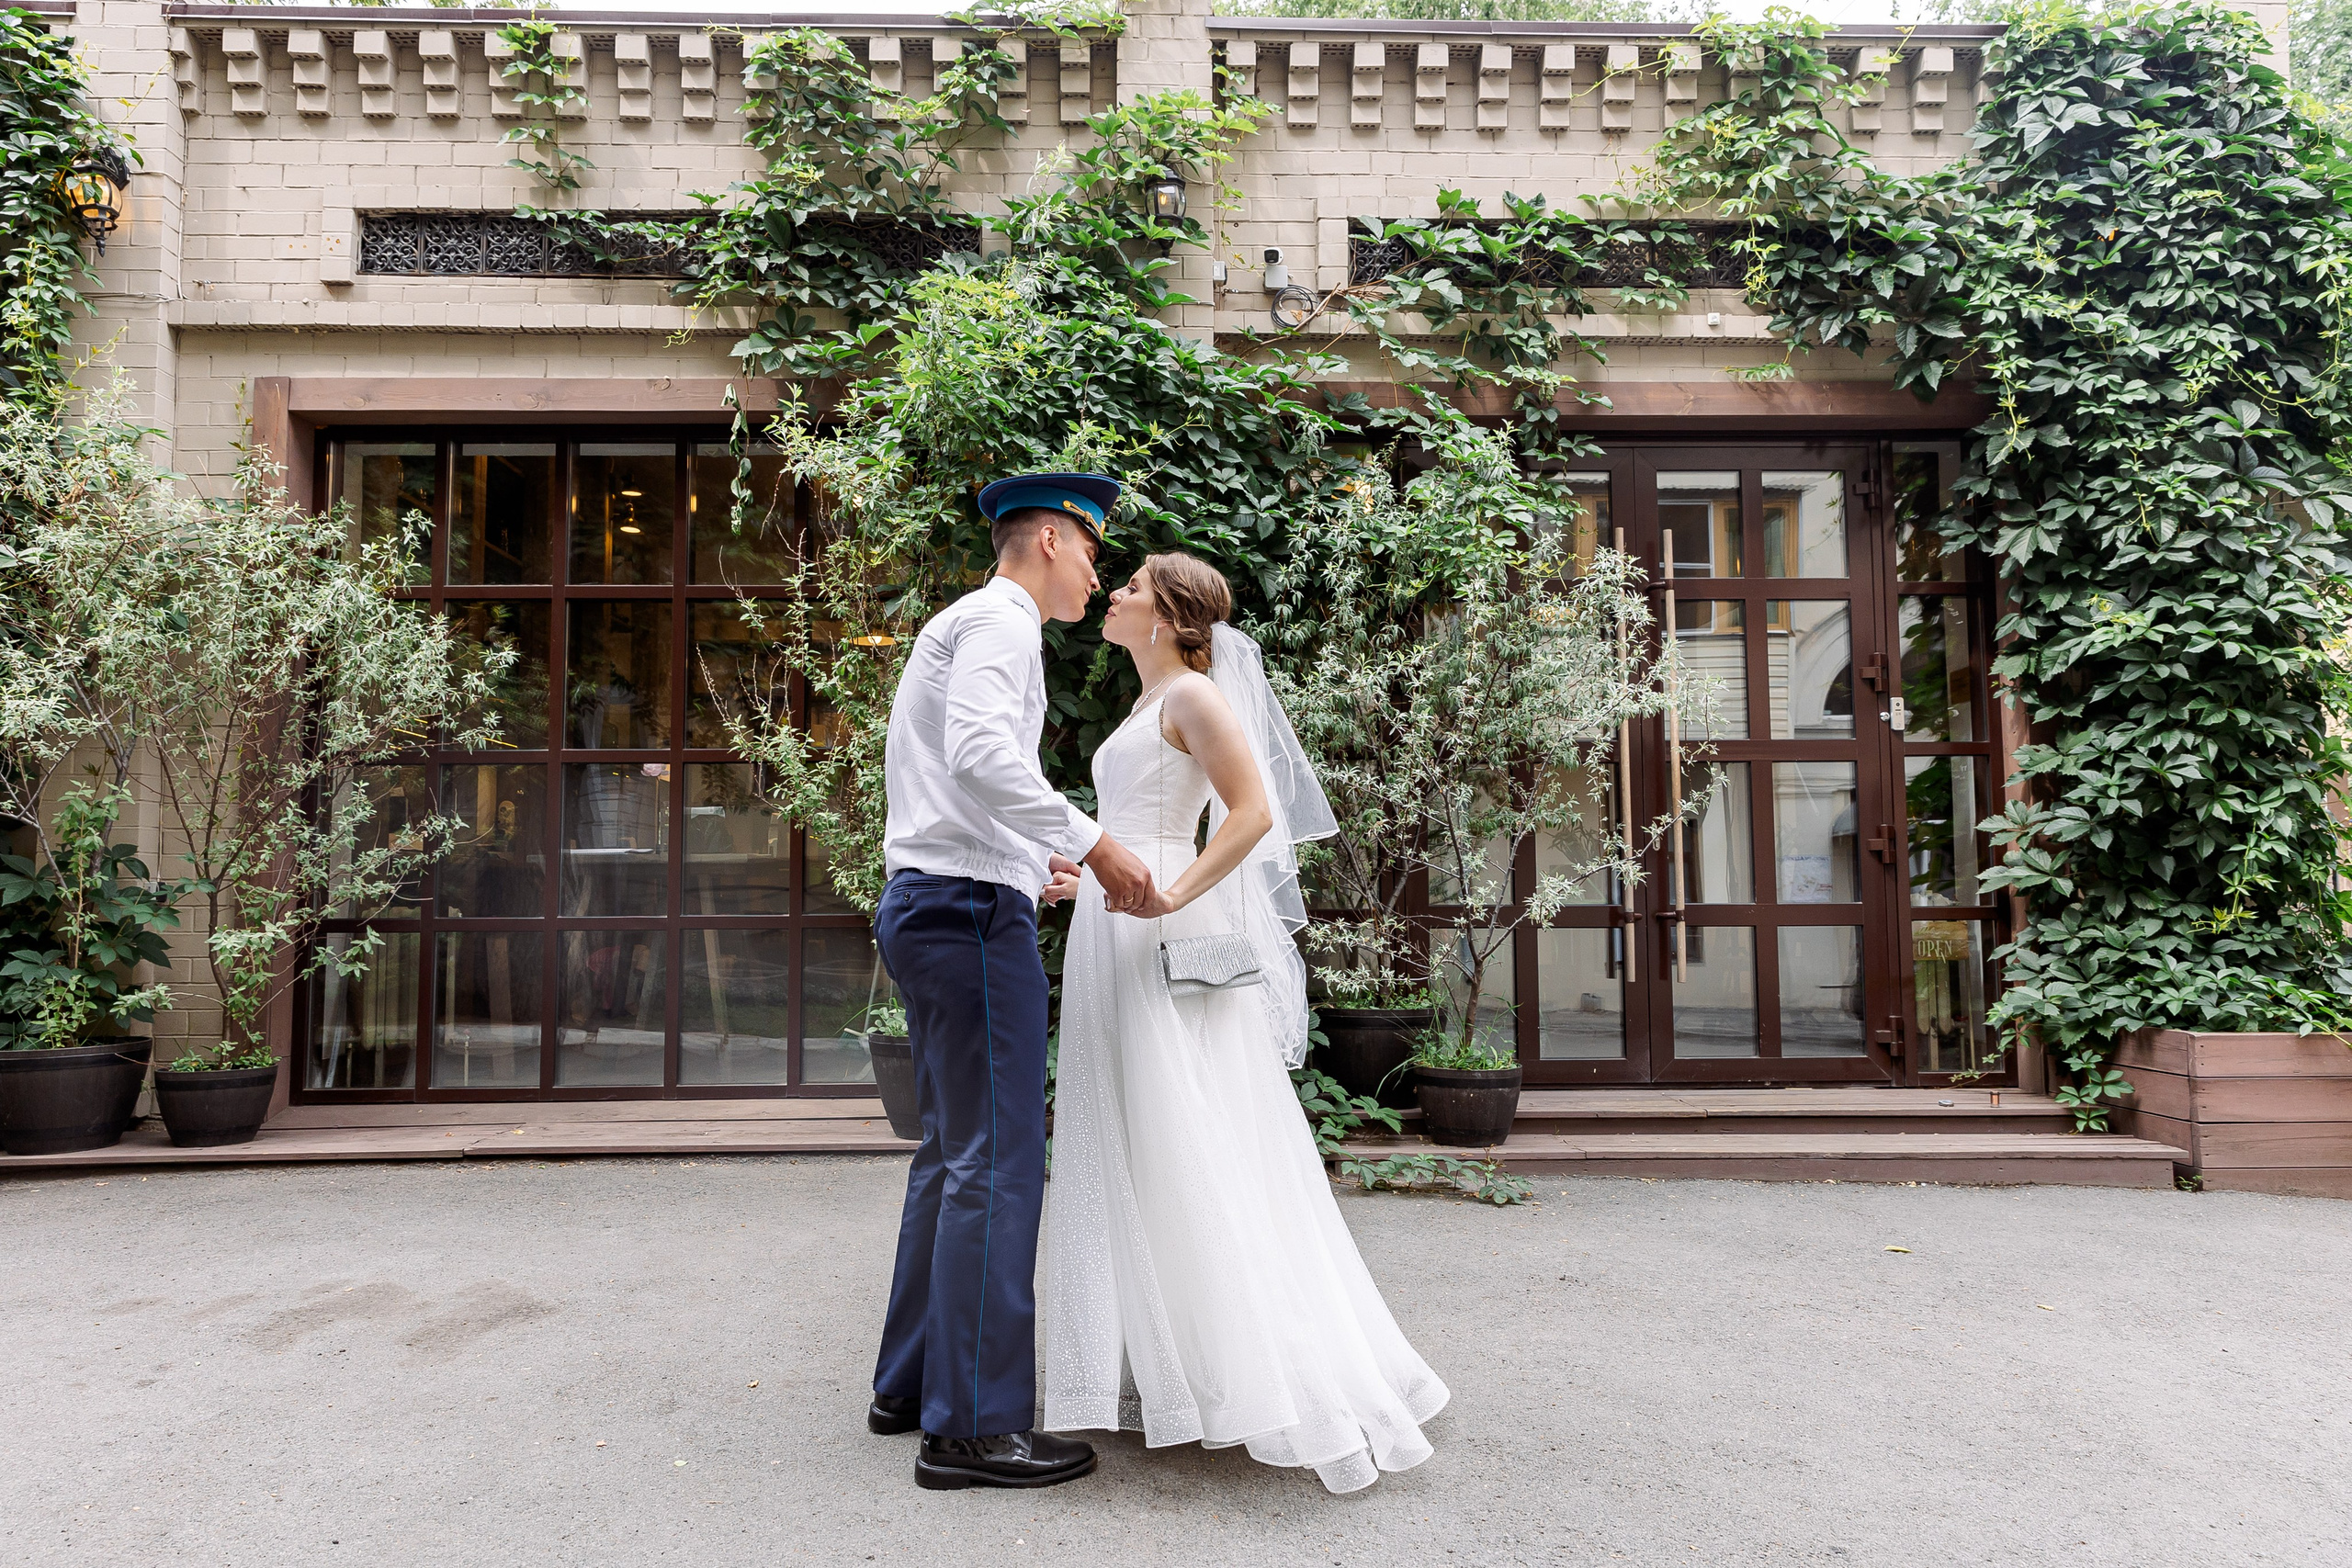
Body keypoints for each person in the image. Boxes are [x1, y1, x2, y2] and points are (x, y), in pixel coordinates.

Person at [1042, 552, 1449, 1495]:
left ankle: (1257, 1374)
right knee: (1140, 1134)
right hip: (1118, 922)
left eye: (1133, 586)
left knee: (1191, 1129)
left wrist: (1172, 891)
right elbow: (1138, 825)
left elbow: (1253, 813)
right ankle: (1173, 1361)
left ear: (1174, 615)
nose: (1115, 593)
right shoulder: (1146, 708)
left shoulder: (1193, 697)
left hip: (1161, 928)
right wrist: (1080, 881)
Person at [866, 472, 1158, 1492]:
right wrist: (1096, 844)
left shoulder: (965, 623)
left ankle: (911, 1390)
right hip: (960, 919)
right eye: (1089, 552)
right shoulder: (1002, 624)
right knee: (996, 1164)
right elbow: (982, 751)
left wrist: (1027, 861)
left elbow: (950, 777)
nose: (1095, 571)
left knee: (951, 1155)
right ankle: (975, 1431)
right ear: (1045, 539)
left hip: (937, 899)